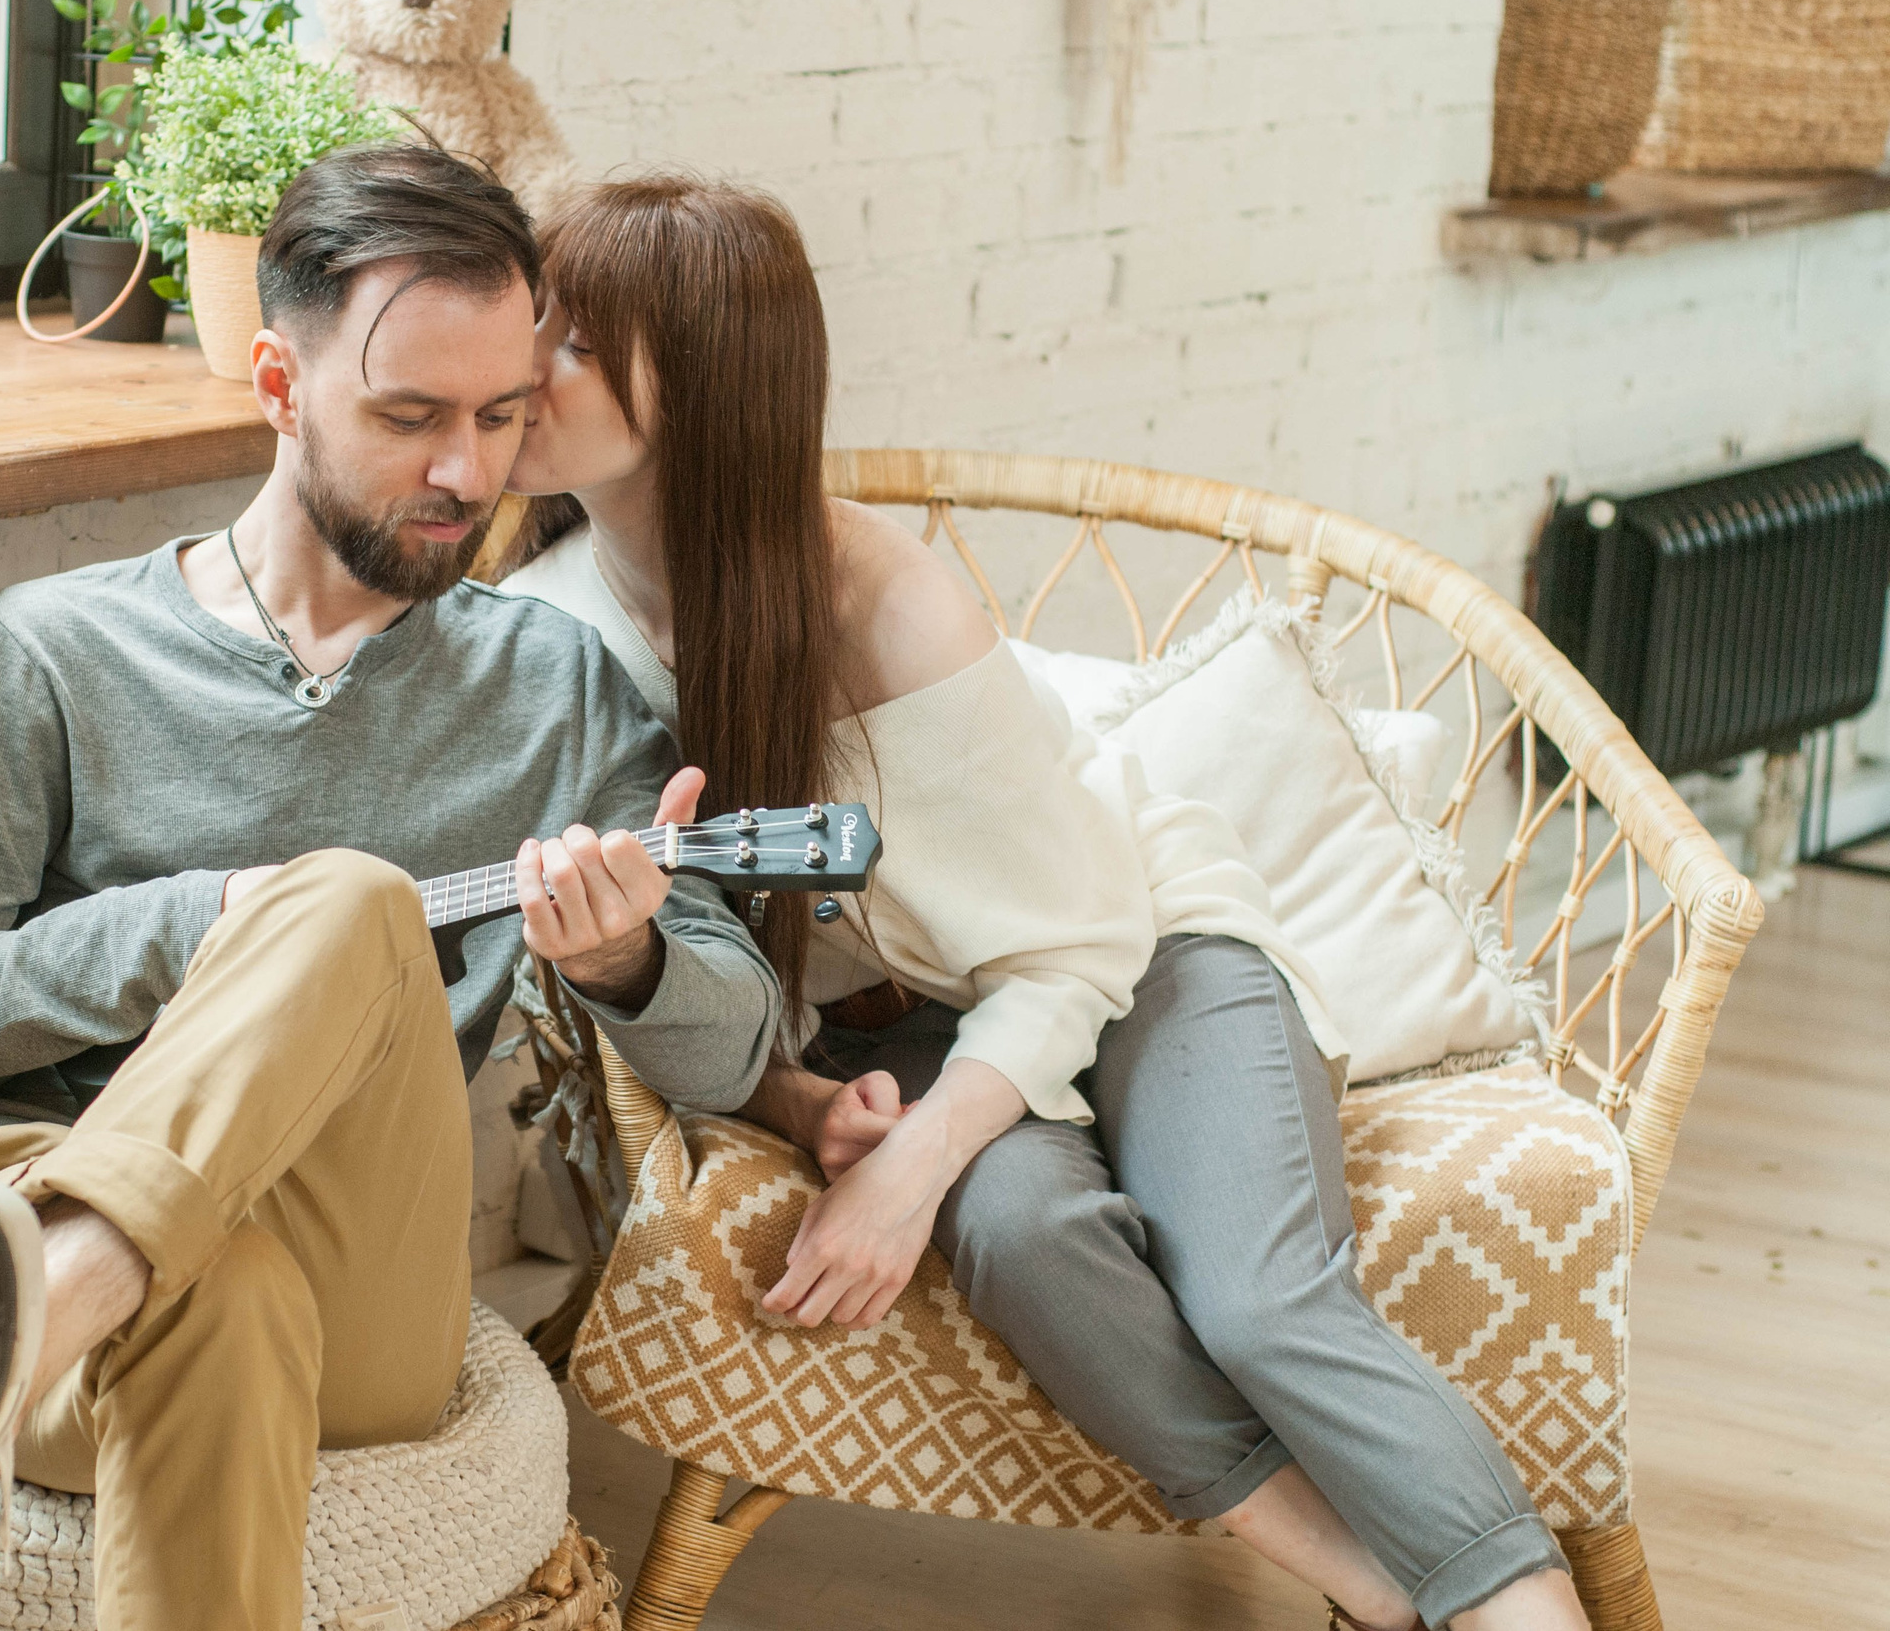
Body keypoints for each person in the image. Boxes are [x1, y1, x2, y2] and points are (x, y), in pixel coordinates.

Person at [496, 174, 1589, 1631]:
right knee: (1022, 1237)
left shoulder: (883, 604)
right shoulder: (547, 626)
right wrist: (808, 1110)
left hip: (1144, 953)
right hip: (912, 1034)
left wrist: (904, 1170)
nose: (524, 365)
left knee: (1262, 1302)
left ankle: (1526, 1609)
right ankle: (1385, 1589)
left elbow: (1079, 941)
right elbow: (683, 962)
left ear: (697, 385)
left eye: (571, 339)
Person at [0, 146, 782, 1631]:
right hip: (22, 1203)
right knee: (226, 1293)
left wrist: (629, 962)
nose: (467, 471)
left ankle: (57, 1296)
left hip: (354, 1285)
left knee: (349, 903)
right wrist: (192, 926)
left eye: (501, 417)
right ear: (276, 383)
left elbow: (739, 1046)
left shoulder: (553, 688)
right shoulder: (53, 652)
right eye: (409, 418)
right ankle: (91, 1265)